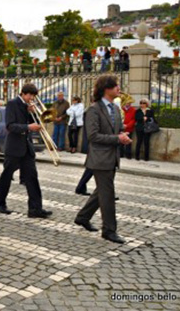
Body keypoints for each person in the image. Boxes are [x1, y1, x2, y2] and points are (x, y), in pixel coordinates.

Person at [74, 74, 131, 244]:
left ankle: (83, 217)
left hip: (112, 157)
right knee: (107, 195)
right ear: (106, 89)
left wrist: (123, 135)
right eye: (116, 86)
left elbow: (117, 130)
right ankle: (109, 230)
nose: (119, 89)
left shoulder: (114, 108)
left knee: (102, 191)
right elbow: (92, 136)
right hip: (99, 159)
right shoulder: (93, 109)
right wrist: (117, 139)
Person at [0, 83, 53, 218]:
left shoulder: (28, 106)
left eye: (33, 96)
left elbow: (36, 123)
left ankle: (35, 209)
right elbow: (10, 126)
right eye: (30, 95)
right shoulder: (13, 104)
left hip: (27, 147)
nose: (31, 98)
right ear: (23, 93)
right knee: (7, 176)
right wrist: (28, 127)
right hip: (14, 147)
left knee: (32, 178)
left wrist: (32, 114)